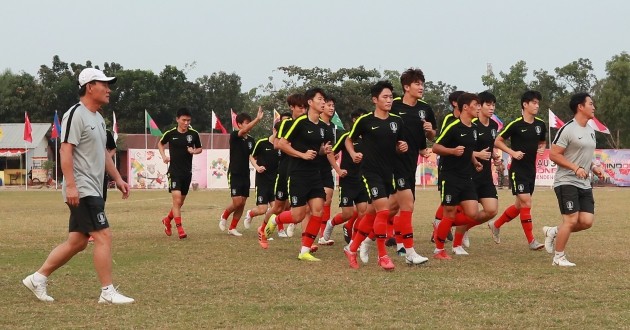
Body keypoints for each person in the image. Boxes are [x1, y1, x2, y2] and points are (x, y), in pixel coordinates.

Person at [22, 67, 133, 304]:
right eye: (104, 84)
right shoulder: (75, 114)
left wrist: (119, 178)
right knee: (104, 235)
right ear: (89, 86)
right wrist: (71, 185)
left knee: (78, 242)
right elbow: (65, 149)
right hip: (82, 188)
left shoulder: (98, 118)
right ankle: (107, 292)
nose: (108, 89)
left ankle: (37, 278)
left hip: (94, 187)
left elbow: (102, 154)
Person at [342, 81, 409, 270]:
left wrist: (402, 147)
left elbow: (400, 144)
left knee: (371, 214)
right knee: (384, 211)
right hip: (370, 172)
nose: (389, 100)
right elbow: (348, 139)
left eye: (390, 97)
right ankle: (383, 256)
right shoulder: (365, 121)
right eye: (385, 97)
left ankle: (352, 248)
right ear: (375, 100)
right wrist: (354, 153)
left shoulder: (397, 121)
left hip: (389, 172)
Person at [264, 87, 331, 261]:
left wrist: (323, 151)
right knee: (297, 215)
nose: (323, 102)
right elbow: (282, 144)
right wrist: (302, 155)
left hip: (315, 174)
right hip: (297, 174)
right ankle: (276, 220)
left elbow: (319, 151)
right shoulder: (300, 123)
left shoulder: (324, 127)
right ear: (310, 102)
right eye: (320, 99)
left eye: (324, 99)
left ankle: (304, 251)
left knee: (318, 211)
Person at [543, 93, 604, 266]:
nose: (594, 107)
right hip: (566, 181)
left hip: (584, 183)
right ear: (580, 106)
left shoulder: (591, 130)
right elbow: (554, 155)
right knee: (570, 221)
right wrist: (574, 168)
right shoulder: (568, 129)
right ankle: (559, 257)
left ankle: (553, 232)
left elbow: (585, 156)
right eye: (591, 104)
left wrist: (594, 167)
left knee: (586, 221)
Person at [386, 68, 435, 262]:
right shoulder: (393, 105)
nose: (421, 87)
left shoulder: (425, 109)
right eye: (417, 83)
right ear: (406, 87)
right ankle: (407, 250)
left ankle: (360, 238)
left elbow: (431, 136)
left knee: (391, 207)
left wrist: (430, 131)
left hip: (410, 161)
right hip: (391, 161)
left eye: (422, 83)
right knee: (406, 204)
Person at [488, 90, 546, 250]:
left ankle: (496, 224)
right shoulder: (515, 125)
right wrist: (512, 153)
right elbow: (497, 141)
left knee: (520, 206)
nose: (536, 106)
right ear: (525, 105)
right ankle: (532, 241)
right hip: (517, 170)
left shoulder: (540, 124)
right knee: (527, 203)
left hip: (531, 171)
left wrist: (542, 148)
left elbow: (542, 142)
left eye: (538, 103)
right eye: (534, 103)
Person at [431, 92, 483, 259]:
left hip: (466, 176)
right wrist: (452, 151)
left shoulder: (474, 129)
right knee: (450, 211)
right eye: (477, 105)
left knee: (472, 213)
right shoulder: (453, 126)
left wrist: (475, 161)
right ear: (466, 107)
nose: (479, 108)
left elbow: (468, 150)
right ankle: (439, 249)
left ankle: (441, 225)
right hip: (450, 176)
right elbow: (436, 147)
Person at [450, 91, 499, 255]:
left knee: (491, 210)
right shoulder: (472, 125)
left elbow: (490, 147)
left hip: (485, 175)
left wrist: (495, 157)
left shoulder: (493, 126)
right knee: (465, 211)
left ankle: (459, 228)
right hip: (470, 174)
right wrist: (477, 155)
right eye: (487, 104)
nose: (491, 108)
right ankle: (456, 244)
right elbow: (466, 148)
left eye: (493, 105)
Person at [257, 95, 306, 249]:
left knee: (306, 207)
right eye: (300, 107)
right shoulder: (286, 124)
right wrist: (297, 151)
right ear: (292, 107)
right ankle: (263, 228)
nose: (303, 110)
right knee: (278, 207)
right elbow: (278, 145)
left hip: (302, 171)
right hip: (285, 170)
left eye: (305, 107)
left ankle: (307, 243)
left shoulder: (307, 125)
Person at [322, 108, 368, 245]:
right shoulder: (346, 137)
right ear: (355, 120)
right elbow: (330, 152)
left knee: (363, 212)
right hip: (347, 180)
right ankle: (331, 223)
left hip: (363, 180)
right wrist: (338, 169)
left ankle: (355, 241)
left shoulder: (369, 138)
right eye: (361, 118)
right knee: (347, 214)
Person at [219, 107, 264, 236]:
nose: (248, 125)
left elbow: (252, 156)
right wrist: (257, 119)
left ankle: (232, 228)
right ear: (239, 125)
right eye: (246, 123)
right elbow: (244, 130)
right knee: (237, 202)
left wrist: (257, 166)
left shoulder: (251, 140)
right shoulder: (235, 135)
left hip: (246, 173)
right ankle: (225, 214)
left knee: (243, 202)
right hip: (235, 173)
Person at [159, 108, 203, 239]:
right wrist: (164, 156)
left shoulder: (193, 134)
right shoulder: (170, 133)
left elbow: (200, 148)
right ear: (177, 119)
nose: (186, 123)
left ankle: (167, 220)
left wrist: (194, 151)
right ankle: (180, 229)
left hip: (187, 173)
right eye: (184, 120)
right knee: (177, 200)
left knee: (179, 203)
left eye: (188, 120)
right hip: (174, 172)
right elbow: (160, 144)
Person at [431, 90, 465, 243]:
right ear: (455, 103)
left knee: (458, 200)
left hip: (464, 166)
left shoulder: (470, 120)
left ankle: (444, 227)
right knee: (448, 201)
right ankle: (438, 228)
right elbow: (440, 141)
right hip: (448, 165)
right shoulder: (449, 119)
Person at [317, 96, 346, 246]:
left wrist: (334, 155)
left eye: (333, 105)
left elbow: (330, 150)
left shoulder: (332, 128)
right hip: (312, 168)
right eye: (328, 105)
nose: (331, 108)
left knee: (327, 199)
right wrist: (338, 168)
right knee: (309, 206)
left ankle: (323, 235)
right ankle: (286, 222)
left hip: (326, 167)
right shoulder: (317, 125)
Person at [244, 126, 281, 232]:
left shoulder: (281, 146)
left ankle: (264, 230)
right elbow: (251, 156)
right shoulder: (262, 143)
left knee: (276, 209)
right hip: (262, 181)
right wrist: (257, 167)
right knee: (262, 209)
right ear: (274, 130)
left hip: (275, 181)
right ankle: (250, 214)